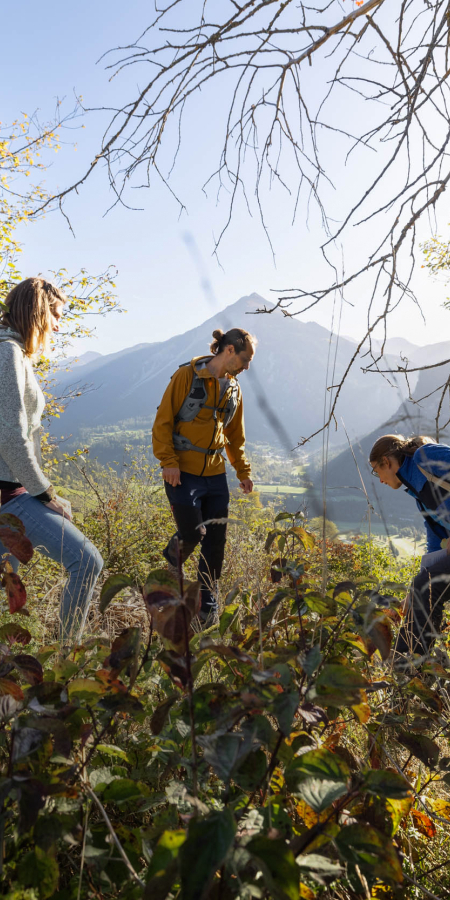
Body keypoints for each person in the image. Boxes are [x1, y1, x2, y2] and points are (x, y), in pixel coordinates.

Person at [0, 277, 103, 642]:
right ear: (39, 312)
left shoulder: (14, 353)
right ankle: (66, 659)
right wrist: (45, 494)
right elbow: (11, 437)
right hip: (8, 498)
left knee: (6, 596)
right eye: (56, 315)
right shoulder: (7, 354)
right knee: (87, 561)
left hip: (13, 494)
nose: (59, 325)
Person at [152, 327, 255, 624]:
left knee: (216, 541)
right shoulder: (187, 375)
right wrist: (168, 461)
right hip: (182, 471)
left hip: (216, 474)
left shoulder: (234, 388)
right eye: (246, 359)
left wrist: (243, 471)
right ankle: (171, 570)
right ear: (230, 351)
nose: (248, 366)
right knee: (193, 534)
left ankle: (206, 606)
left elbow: (235, 436)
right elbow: (163, 421)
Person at [369, 434, 450, 659]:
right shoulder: (418, 493)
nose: (380, 479)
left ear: (387, 461)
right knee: (425, 587)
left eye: (377, 471)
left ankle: (406, 667)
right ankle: (413, 668)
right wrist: (412, 598)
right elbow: (435, 542)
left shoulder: (426, 456)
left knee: (426, 585)